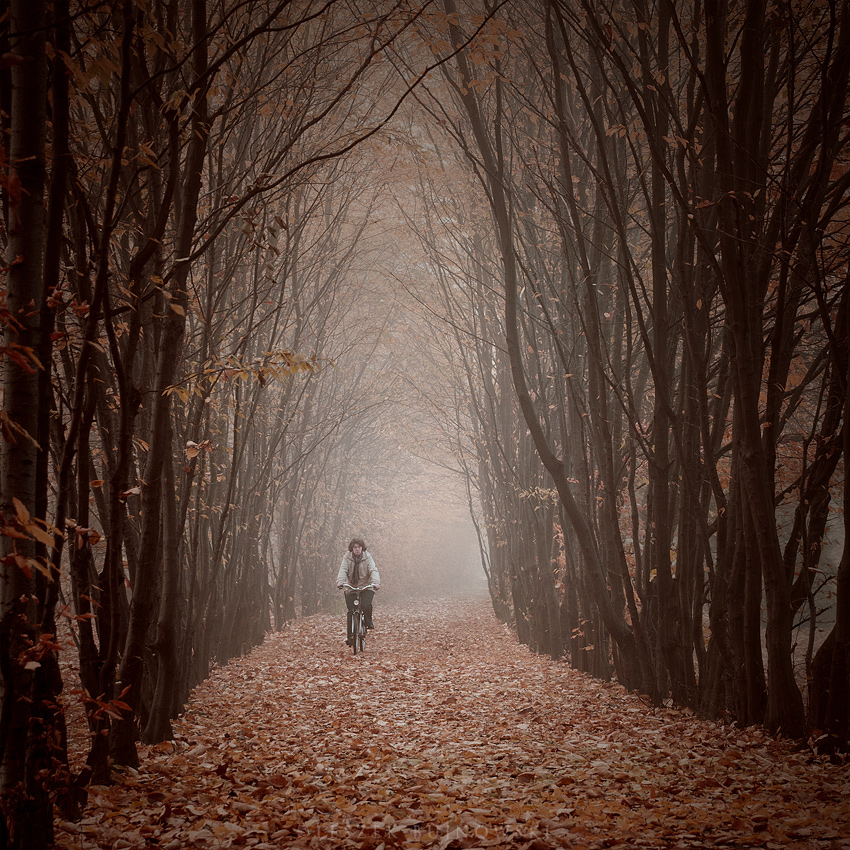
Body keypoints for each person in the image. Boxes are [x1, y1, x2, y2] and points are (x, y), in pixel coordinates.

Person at [336, 538, 380, 646]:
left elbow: (373, 570)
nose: (357, 550)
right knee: (351, 611)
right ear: (352, 548)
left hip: (366, 586)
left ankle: (368, 622)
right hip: (351, 587)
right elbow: (343, 570)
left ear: (362, 548)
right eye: (355, 547)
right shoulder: (347, 557)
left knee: (366, 605)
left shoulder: (367, 557)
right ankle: (350, 636)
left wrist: (375, 582)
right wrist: (340, 582)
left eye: (359, 547)